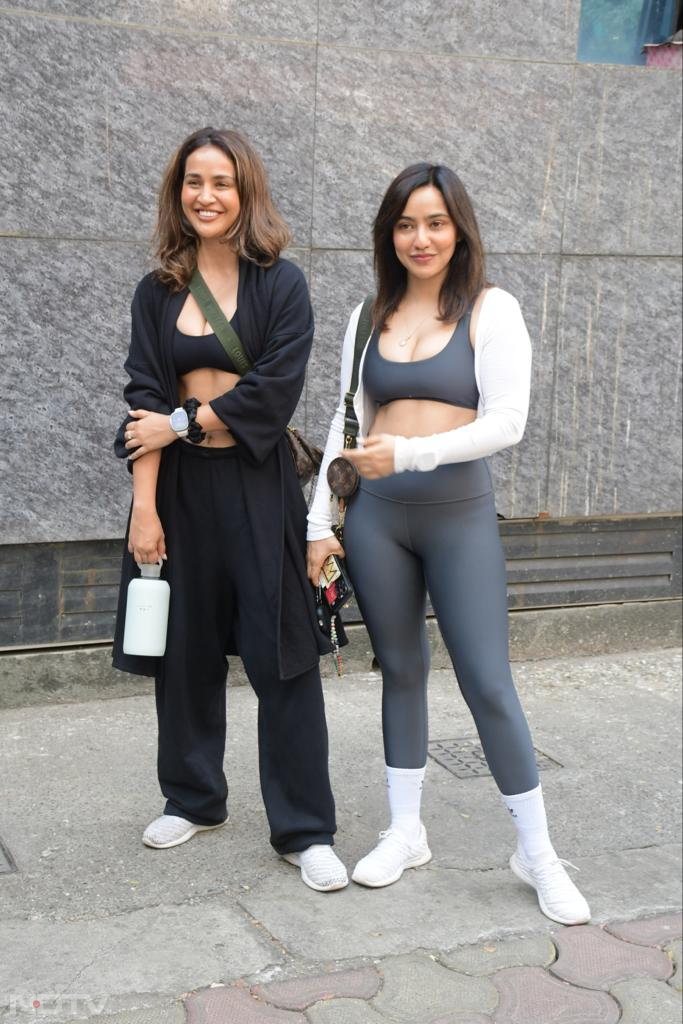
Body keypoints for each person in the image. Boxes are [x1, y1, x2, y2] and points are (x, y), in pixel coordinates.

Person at [307, 163, 591, 924]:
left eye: (434, 222)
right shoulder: (369, 314)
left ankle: (535, 852)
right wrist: (315, 525)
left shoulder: (491, 310)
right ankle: (405, 832)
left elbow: (507, 422)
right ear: (387, 234)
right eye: (404, 224)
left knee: (487, 682)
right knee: (400, 670)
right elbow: (343, 422)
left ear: (458, 228)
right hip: (374, 520)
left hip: (457, 516)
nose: (420, 237)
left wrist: (408, 453)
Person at [112, 127, 348, 893]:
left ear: (245, 192)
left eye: (220, 181)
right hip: (177, 490)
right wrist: (143, 509)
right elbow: (142, 401)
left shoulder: (282, 284)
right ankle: (193, 797)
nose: (205, 195)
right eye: (192, 182)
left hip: (256, 482)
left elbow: (271, 390)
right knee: (183, 652)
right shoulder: (158, 290)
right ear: (177, 193)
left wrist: (180, 421)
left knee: (282, 655)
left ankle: (304, 829)